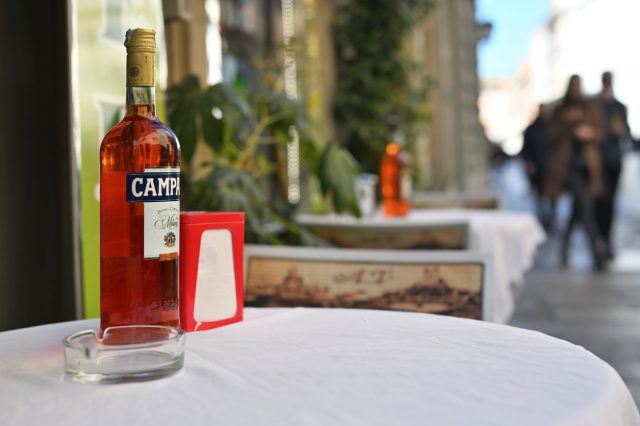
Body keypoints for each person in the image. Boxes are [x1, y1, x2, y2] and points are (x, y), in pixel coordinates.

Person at [545, 75, 607, 270]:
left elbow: (601, 132)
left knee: (577, 211)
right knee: (585, 206)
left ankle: (565, 251)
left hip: (587, 167)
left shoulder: (590, 108)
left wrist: (588, 132)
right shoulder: (560, 110)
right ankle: (597, 253)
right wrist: (568, 126)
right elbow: (551, 135)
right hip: (568, 167)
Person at [594, 71, 630, 259]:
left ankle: (606, 239)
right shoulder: (596, 105)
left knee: (610, 203)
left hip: (613, 161)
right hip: (598, 162)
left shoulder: (619, 107)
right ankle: (599, 238)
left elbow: (626, 132)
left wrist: (621, 129)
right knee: (599, 202)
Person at [522, 104, 554, 229]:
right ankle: (544, 220)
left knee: (551, 196)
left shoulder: (551, 128)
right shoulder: (531, 129)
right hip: (537, 170)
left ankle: (549, 220)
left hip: (549, 169)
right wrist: (529, 163)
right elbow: (525, 150)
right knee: (539, 197)